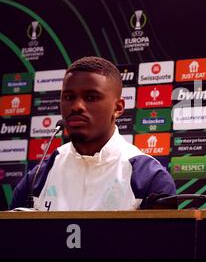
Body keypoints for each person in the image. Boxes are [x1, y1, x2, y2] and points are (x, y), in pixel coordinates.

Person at [11, 56, 176, 210]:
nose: (77, 106)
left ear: (118, 108)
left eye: (90, 97)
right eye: (69, 97)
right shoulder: (37, 178)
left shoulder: (149, 178)